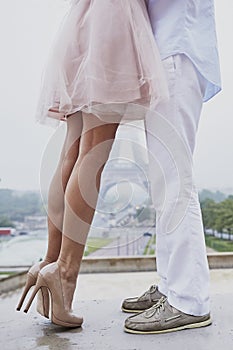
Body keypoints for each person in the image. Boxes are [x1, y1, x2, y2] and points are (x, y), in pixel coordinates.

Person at [16, 0, 168, 327]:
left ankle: (49, 262)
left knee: (71, 149)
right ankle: (65, 273)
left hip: (81, 21)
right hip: (115, 17)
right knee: (94, 150)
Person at [122, 0, 222, 334]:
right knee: (165, 181)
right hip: (169, 52)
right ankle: (170, 287)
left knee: (175, 179)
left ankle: (188, 300)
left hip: (175, 51)